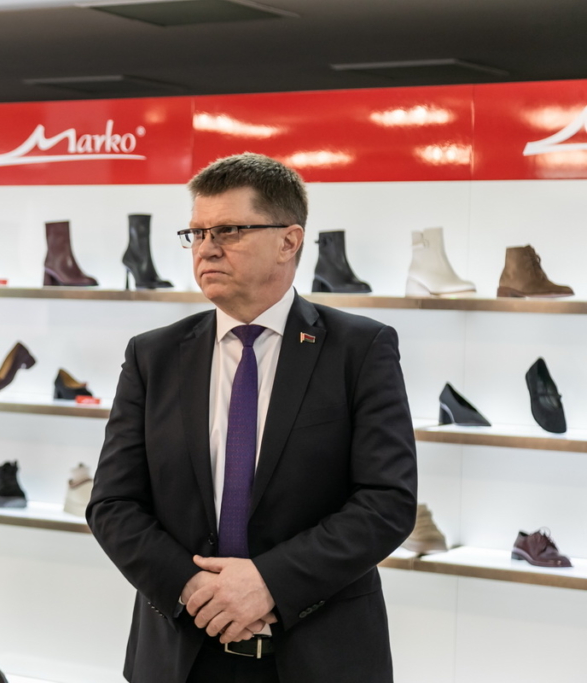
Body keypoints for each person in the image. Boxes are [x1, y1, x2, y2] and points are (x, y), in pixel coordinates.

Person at [87, 153, 417, 683]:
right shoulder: (154, 355)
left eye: (229, 230)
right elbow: (112, 503)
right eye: (196, 233)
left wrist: (269, 583)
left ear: (289, 241)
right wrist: (194, 589)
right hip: (182, 652)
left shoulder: (360, 349)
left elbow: (386, 502)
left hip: (318, 654)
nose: (207, 248)